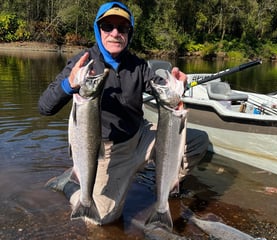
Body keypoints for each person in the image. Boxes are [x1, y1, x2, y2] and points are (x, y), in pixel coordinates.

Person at [38, 1, 209, 225]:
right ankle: (70, 184)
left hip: (141, 136)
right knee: (100, 220)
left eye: (123, 28)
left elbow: (162, 90)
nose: (115, 33)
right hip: (107, 152)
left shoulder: (138, 65)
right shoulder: (82, 64)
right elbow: (45, 107)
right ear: (98, 30)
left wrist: (177, 88)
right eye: (108, 26)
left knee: (197, 142)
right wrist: (70, 84)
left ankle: (168, 185)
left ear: (130, 33)